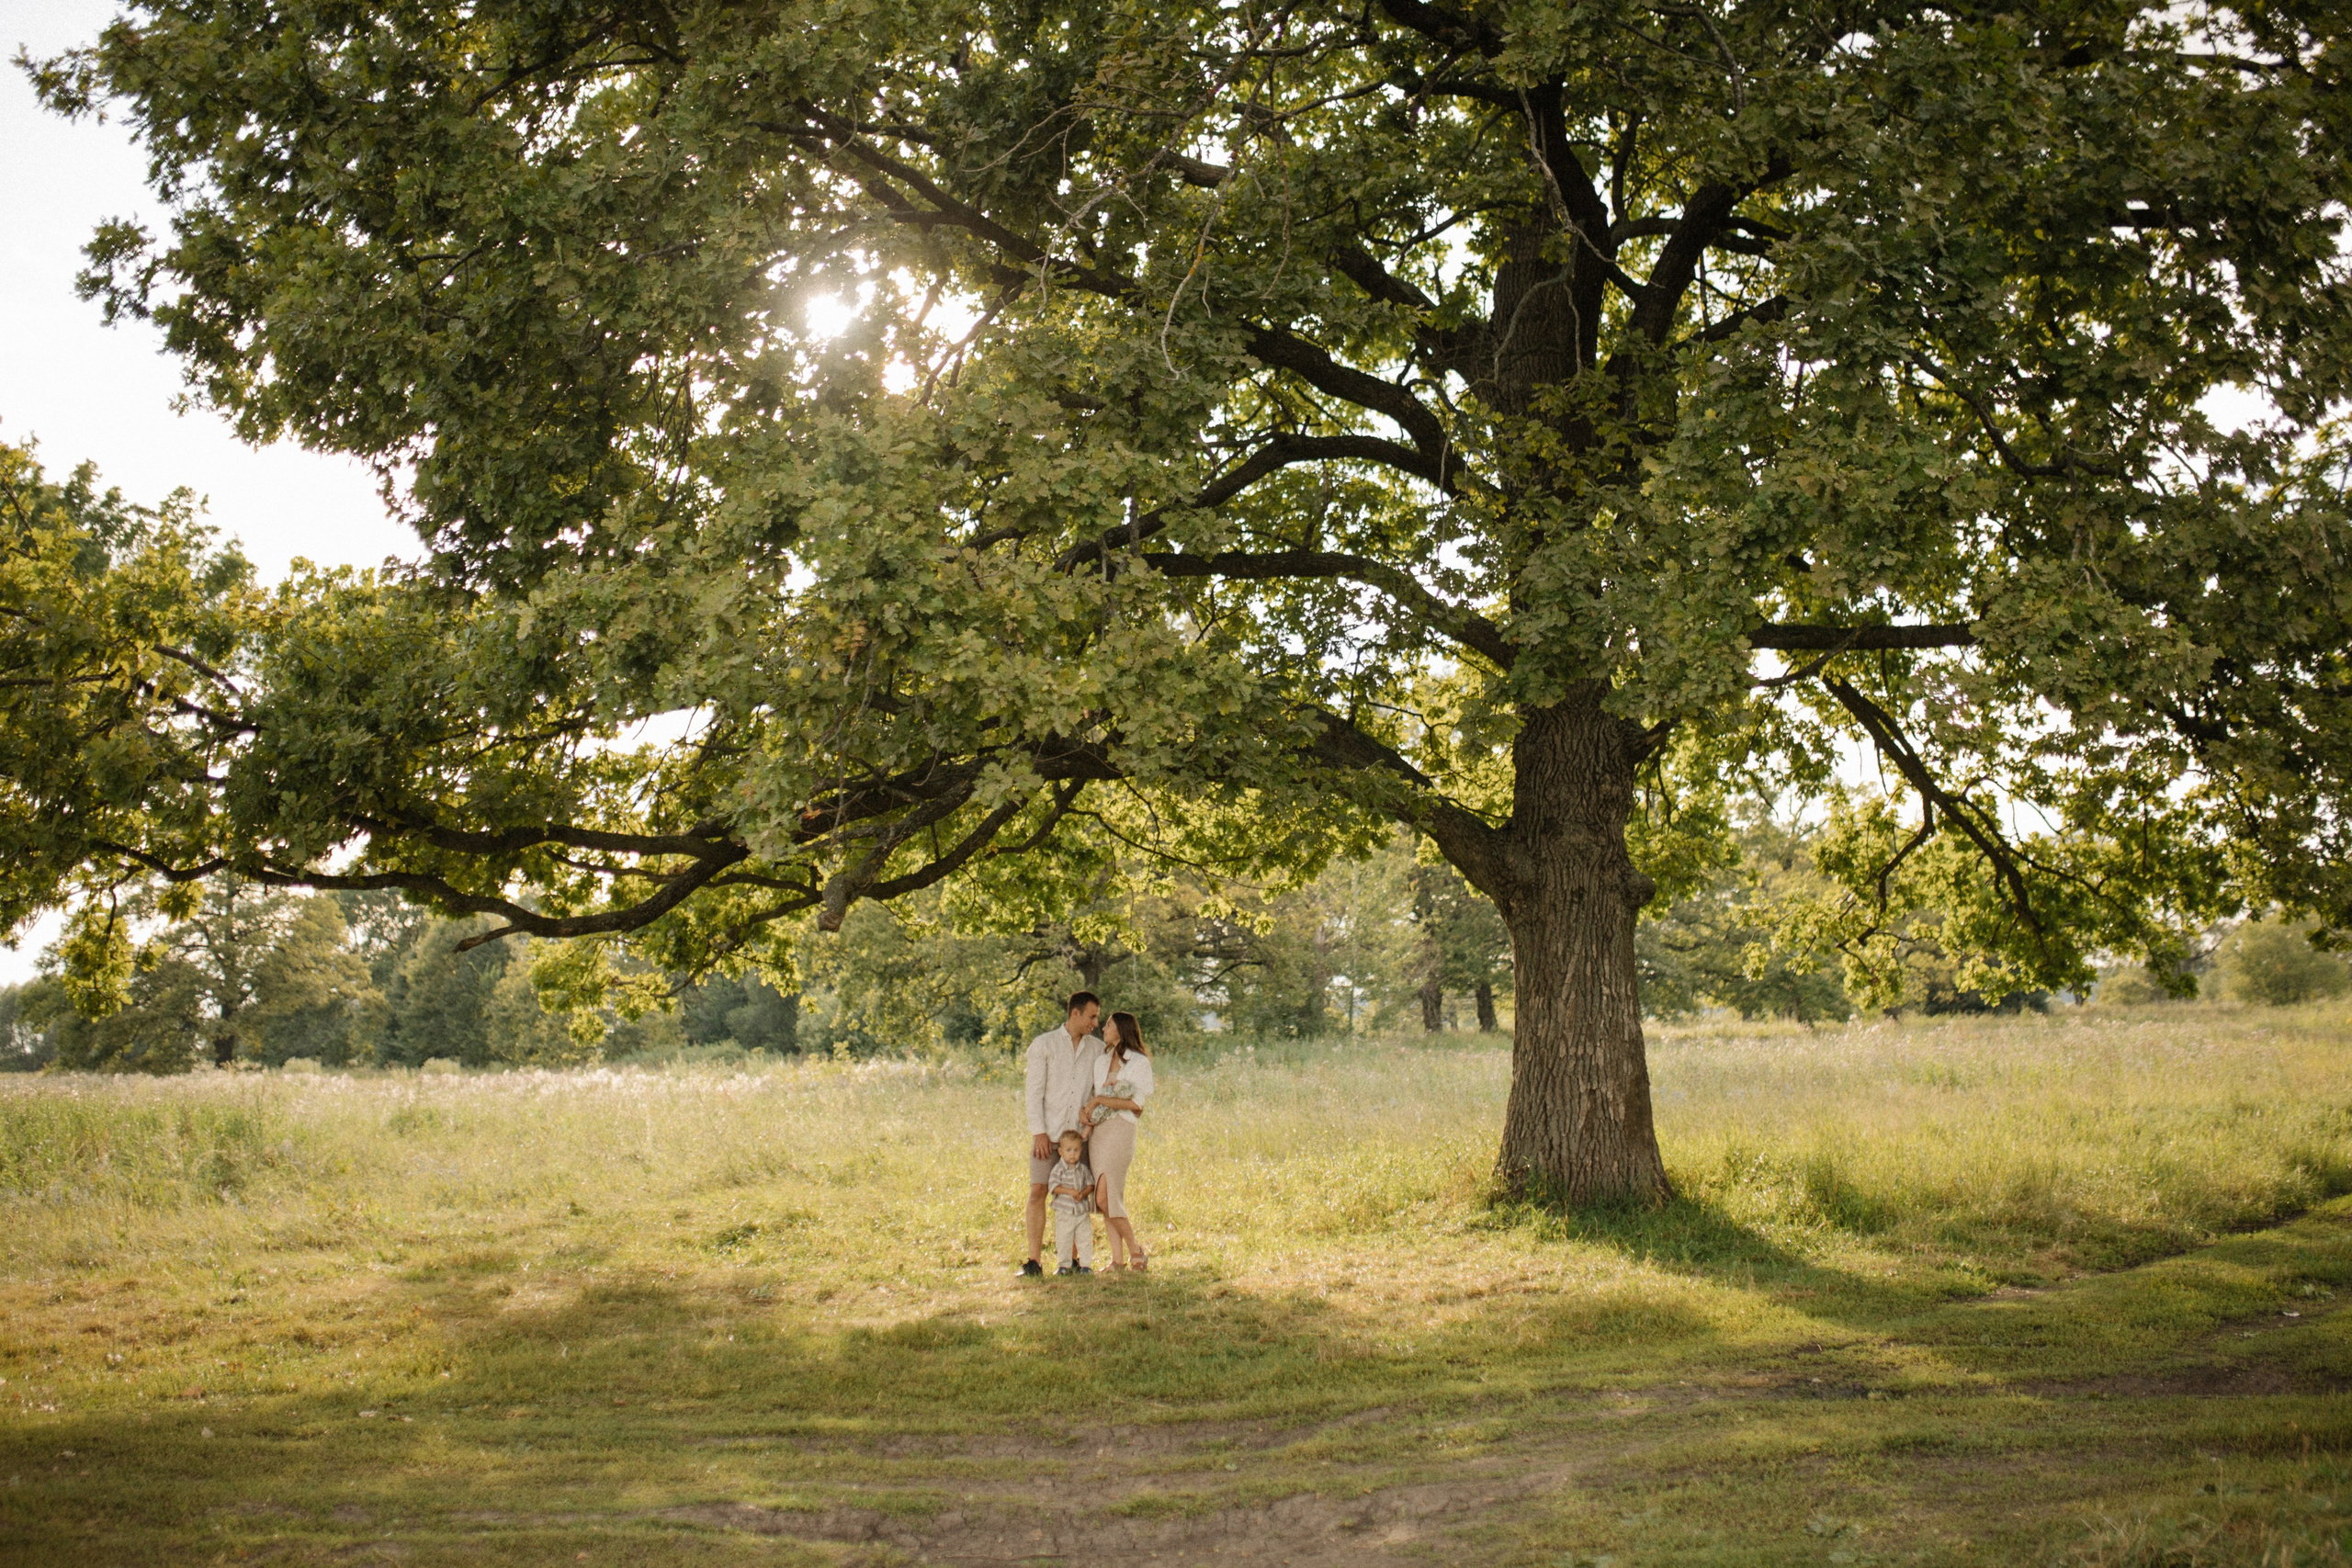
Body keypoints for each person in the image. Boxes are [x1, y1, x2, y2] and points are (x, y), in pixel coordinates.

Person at [1021, 991, 1102, 1278]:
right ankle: (1033, 1262)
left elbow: (1097, 1093)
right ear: (1075, 1013)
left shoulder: (1096, 1050)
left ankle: (1073, 1261)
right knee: (1038, 1191)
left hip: (1078, 1141)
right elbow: (1033, 1093)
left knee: (1079, 1196)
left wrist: (1089, 1126)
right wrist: (1039, 1133)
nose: (1096, 1023)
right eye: (1092, 1016)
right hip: (1049, 1134)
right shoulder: (1044, 1045)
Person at [1083, 1010, 1154, 1271]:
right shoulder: (1102, 1060)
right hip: (1100, 1131)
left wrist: (1101, 1100)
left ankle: (1136, 1250)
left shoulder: (1138, 1062)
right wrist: (1089, 1111)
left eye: (1108, 1025)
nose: (1103, 1028)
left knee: (1107, 1195)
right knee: (1104, 1198)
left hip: (1122, 1129)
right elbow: (1095, 1094)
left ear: (1121, 1029)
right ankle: (1116, 1259)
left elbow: (1135, 1103)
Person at [1046, 1128, 1095, 1276]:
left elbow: (1090, 1184)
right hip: (1064, 1211)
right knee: (1064, 1238)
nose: (1072, 1154)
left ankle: (1086, 1265)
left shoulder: (1083, 1169)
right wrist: (1069, 1191)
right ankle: (1064, 1266)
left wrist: (1083, 1193)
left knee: (1084, 1238)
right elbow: (1053, 1187)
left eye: (1076, 1150)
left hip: (1081, 1210)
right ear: (1060, 1151)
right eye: (1068, 1150)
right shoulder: (1059, 1169)